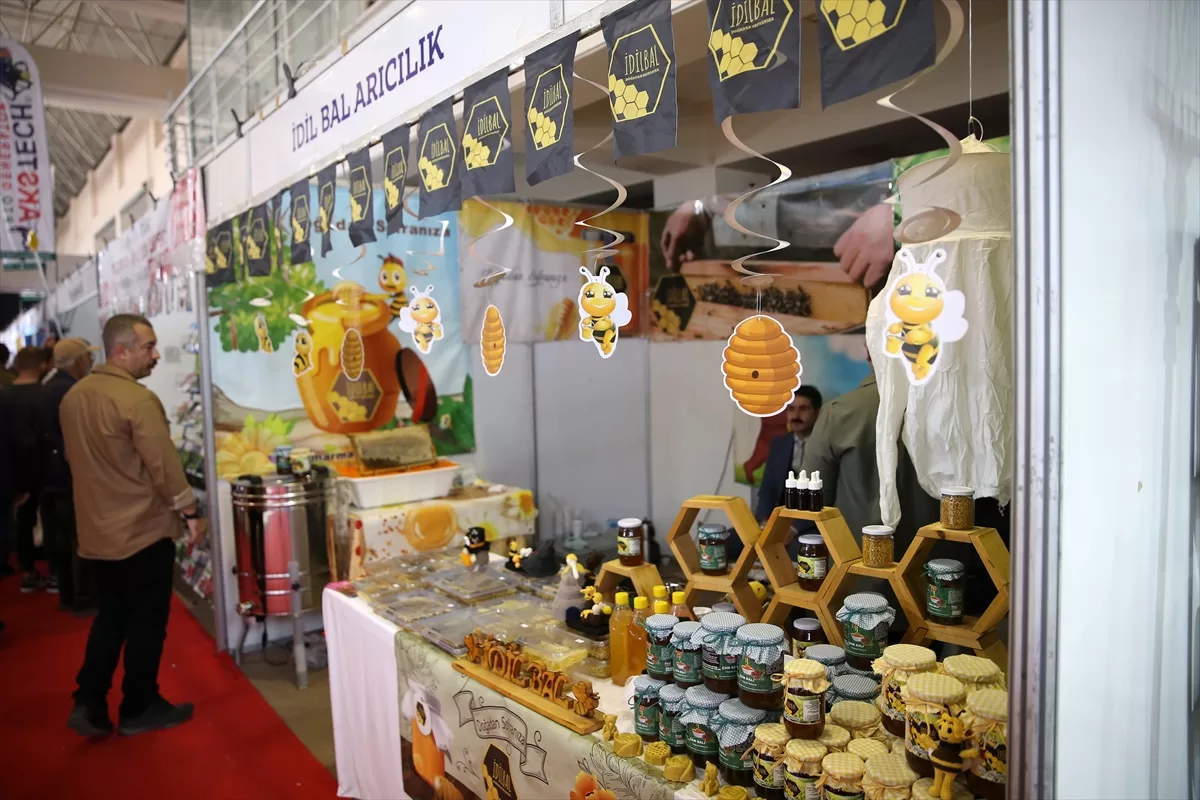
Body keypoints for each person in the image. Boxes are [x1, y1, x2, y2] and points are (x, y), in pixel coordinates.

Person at [61, 314, 206, 738]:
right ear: (121, 350)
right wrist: (190, 512)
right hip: (142, 529)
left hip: (98, 530)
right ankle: (139, 704)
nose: (156, 355)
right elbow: (163, 465)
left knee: (111, 615)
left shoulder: (74, 397)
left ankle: (89, 699)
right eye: (148, 347)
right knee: (146, 620)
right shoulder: (136, 400)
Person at [40, 337, 98, 614]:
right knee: (80, 537)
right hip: (69, 477)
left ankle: (68, 594)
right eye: (88, 357)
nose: (91, 362)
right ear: (78, 361)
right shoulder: (71, 391)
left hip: (51, 477)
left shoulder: (48, 387)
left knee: (62, 538)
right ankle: (83, 596)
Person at [5, 346, 47, 592]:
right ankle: (54, 573)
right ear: (42, 365)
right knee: (51, 521)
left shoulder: (4, 395)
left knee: (22, 522)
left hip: (12, 471)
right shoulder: (44, 395)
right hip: (44, 469)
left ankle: (28, 569)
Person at [752, 386, 823, 523]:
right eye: (791, 409)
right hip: (779, 518)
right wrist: (764, 521)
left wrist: (795, 528)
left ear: (817, 412)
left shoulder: (827, 446)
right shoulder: (778, 444)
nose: (796, 416)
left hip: (812, 522)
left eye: (803, 409)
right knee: (730, 535)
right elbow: (768, 488)